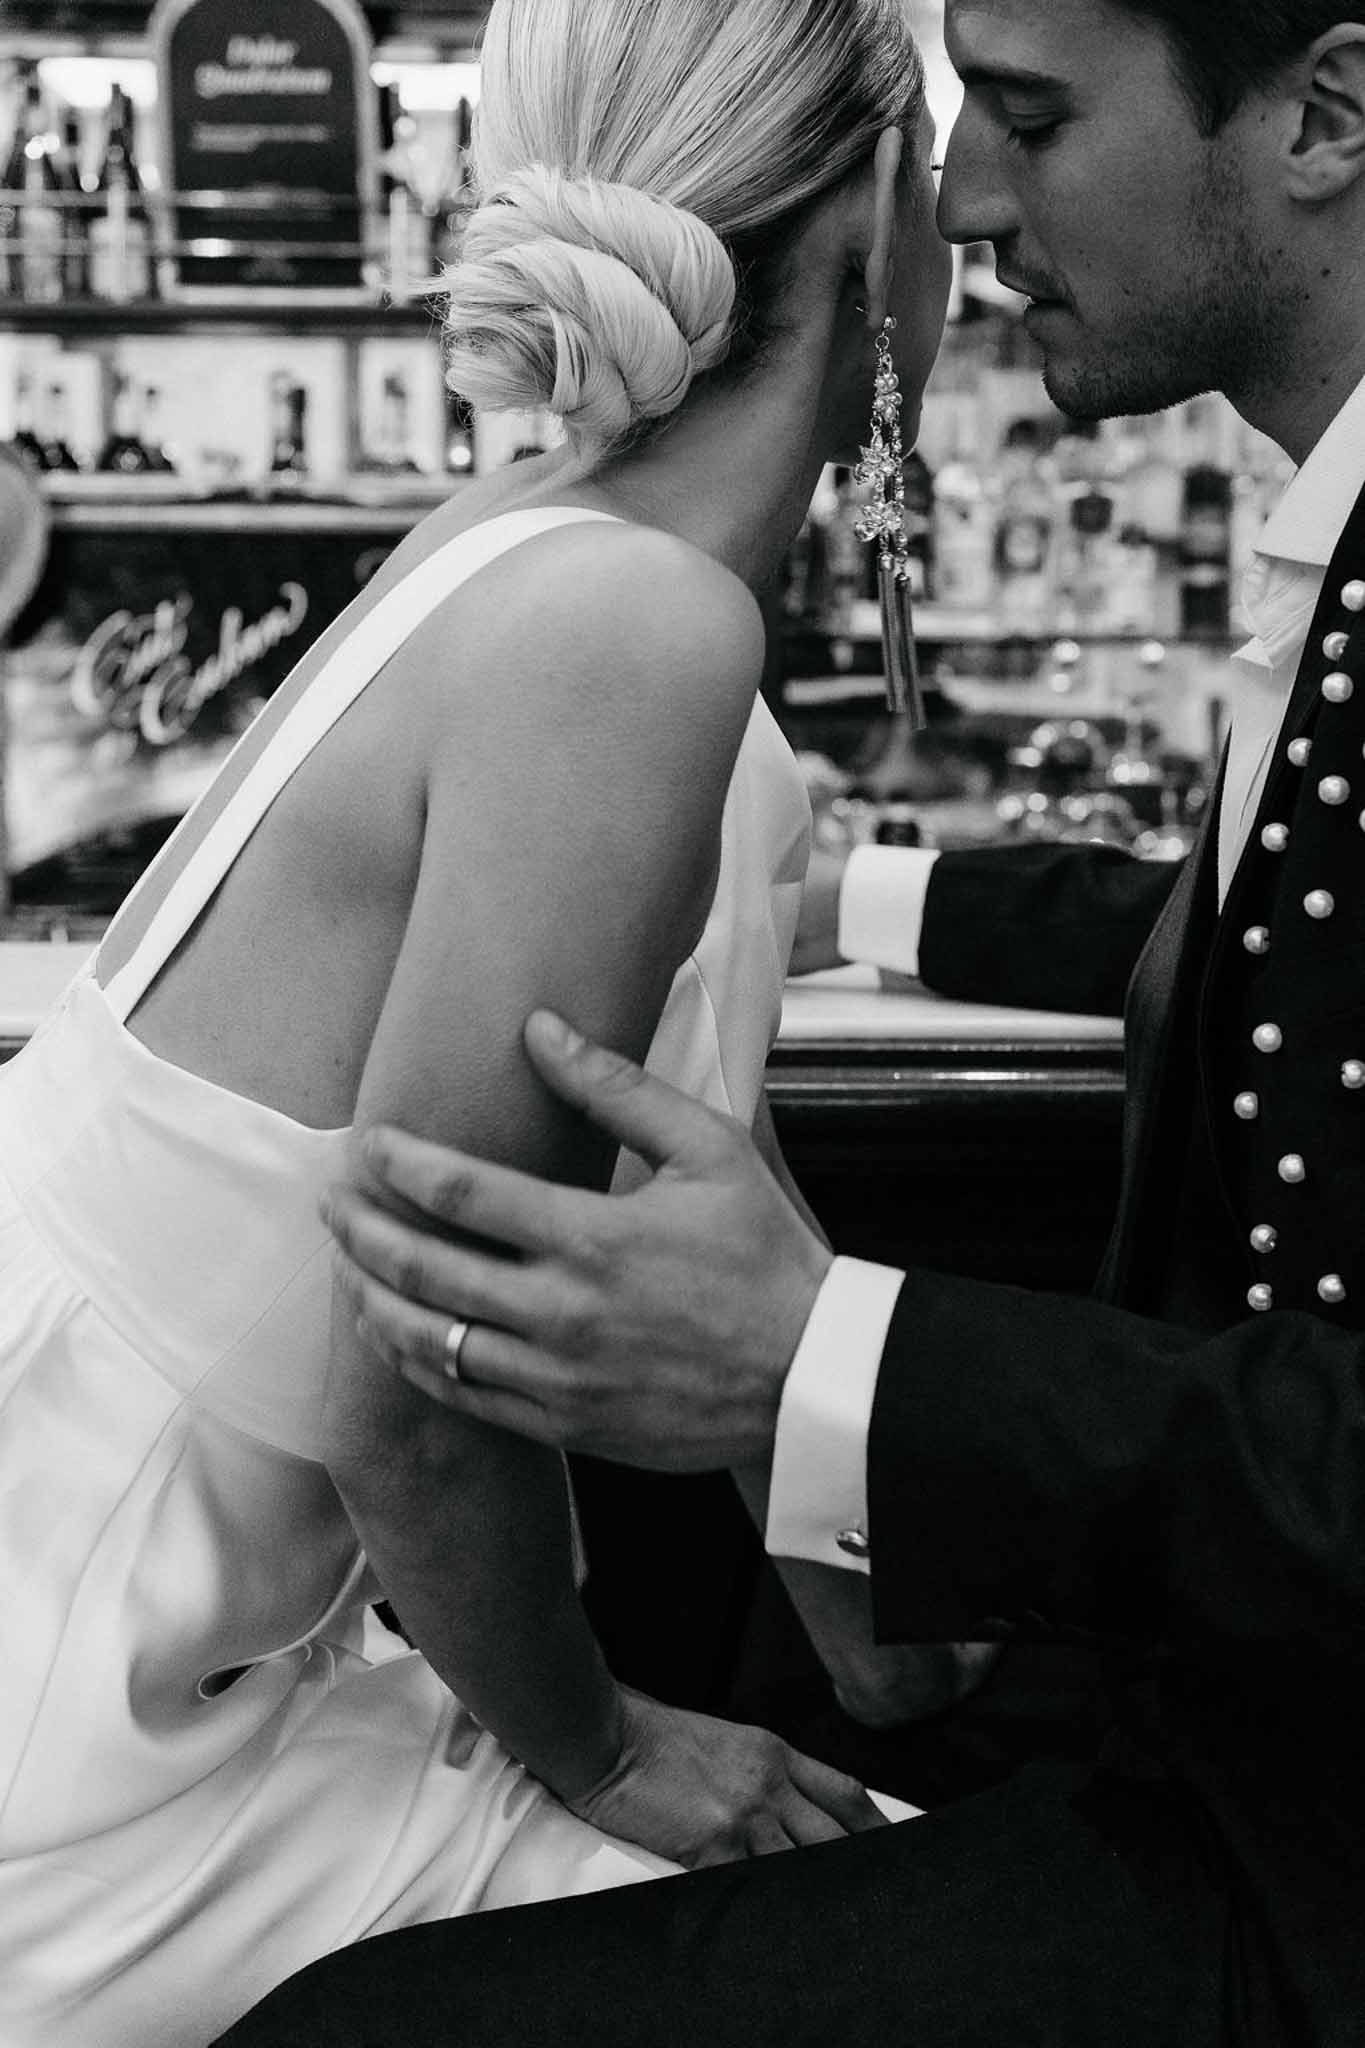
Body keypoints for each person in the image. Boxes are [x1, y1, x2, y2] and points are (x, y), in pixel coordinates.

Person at [266, 1, 1365, 2042]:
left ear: (1322, 111)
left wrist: (830, 1355)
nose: (969, 194)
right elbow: (1240, 922)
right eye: (947, 129)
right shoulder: (640, 627)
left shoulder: (565, 582)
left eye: (1023, 112)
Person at [0, 3, 958, 2041]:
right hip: (88, 1747)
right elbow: (416, 1384)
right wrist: (611, 1750)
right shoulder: (634, 627)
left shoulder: (554, 555)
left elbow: (698, 1154)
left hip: (172, 1647)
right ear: (888, 203)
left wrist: (884, 1640)